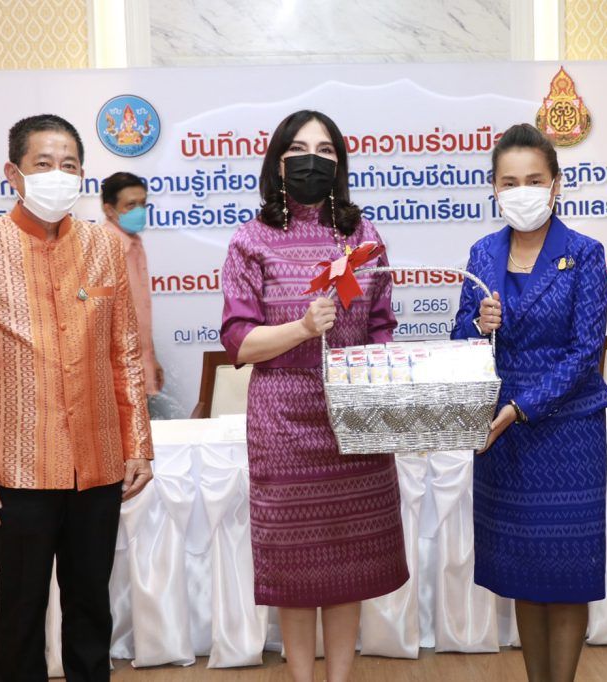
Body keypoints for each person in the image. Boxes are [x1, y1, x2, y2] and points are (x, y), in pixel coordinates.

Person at [0, 114, 154, 681]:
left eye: (69, 165)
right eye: (44, 164)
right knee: (21, 613)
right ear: (14, 174)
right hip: (16, 468)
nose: (58, 175)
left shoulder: (104, 246)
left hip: (98, 464)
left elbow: (126, 355)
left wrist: (138, 445)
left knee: (92, 609)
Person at [220, 110, 407, 682]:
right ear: (278, 163)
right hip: (284, 423)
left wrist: (384, 382)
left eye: (326, 151)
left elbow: (381, 326)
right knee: (295, 569)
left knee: (349, 565)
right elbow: (239, 341)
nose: (313, 160)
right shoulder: (251, 239)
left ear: (340, 165)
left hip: (354, 420)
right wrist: (302, 328)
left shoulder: (362, 236)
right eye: (299, 149)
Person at [452, 123, 607, 682]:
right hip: (502, 438)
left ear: (556, 184)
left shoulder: (584, 254)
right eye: (509, 182)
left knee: (566, 576)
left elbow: (585, 352)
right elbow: (459, 341)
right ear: (494, 189)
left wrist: (521, 408)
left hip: (566, 431)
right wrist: (477, 325)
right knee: (524, 571)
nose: (522, 191)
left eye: (534, 180)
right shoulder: (482, 253)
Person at [101, 171, 164, 396]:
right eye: (131, 205)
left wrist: (151, 359)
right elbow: (84, 298)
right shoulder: (102, 246)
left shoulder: (135, 244)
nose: (140, 211)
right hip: (114, 371)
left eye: (143, 204)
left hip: (138, 364)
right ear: (109, 210)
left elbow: (139, 312)